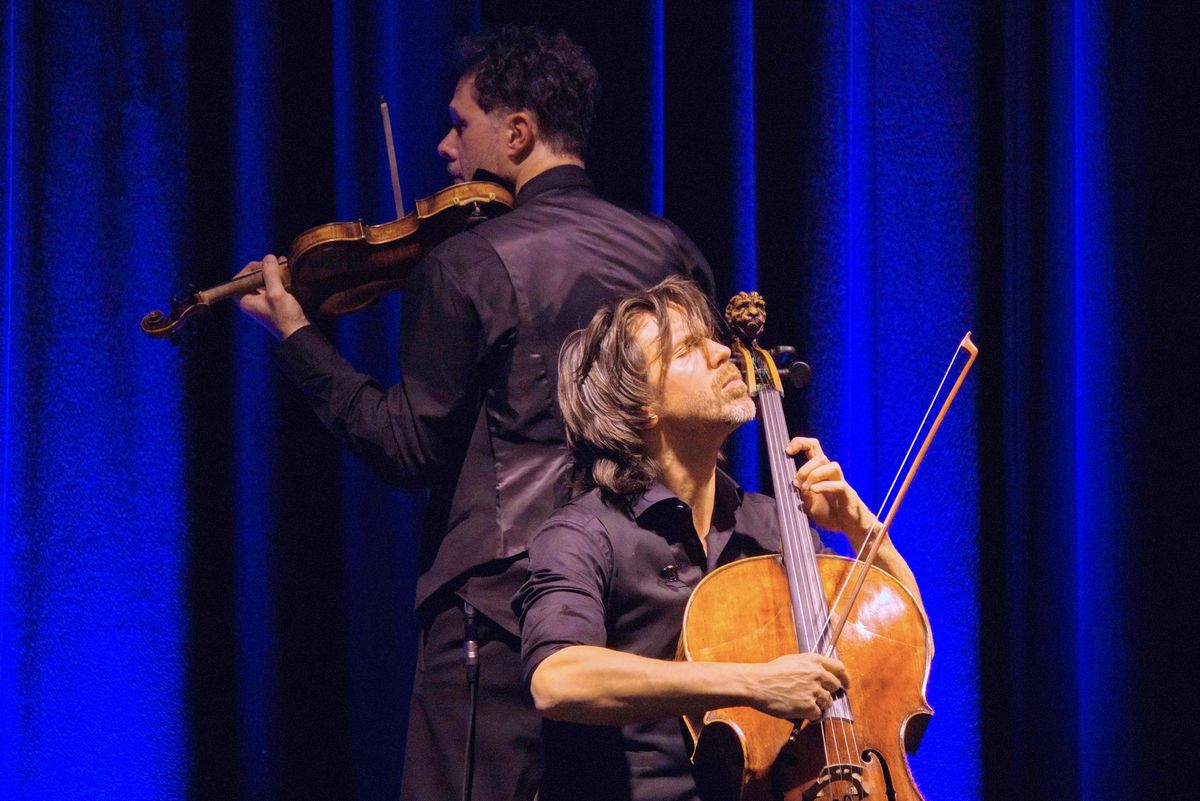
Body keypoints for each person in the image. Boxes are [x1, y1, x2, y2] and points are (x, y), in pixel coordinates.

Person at [235, 26, 715, 801]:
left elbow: (406, 447)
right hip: (651, 602)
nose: (444, 146)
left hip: (501, 609)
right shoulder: (673, 252)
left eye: (461, 125)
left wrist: (298, 339)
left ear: (517, 132)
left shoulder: (468, 262)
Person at [516, 277, 924, 801]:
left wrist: (862, 529)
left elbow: (895, 651)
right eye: (687, 348)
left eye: (711, 338)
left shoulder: (773, 525)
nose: (721, 351)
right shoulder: (584, 533)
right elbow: (557, 679)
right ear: (641, 407)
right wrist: (752, 683)